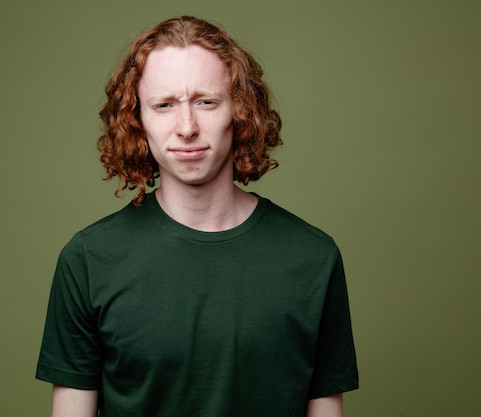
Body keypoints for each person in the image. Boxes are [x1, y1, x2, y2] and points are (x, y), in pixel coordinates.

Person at [36, 16, 358, 417]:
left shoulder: (312, 257)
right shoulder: (88, 259)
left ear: (240, 112)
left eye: (206, 102)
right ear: (138, 120)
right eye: (164, 105)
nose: (186, 127)